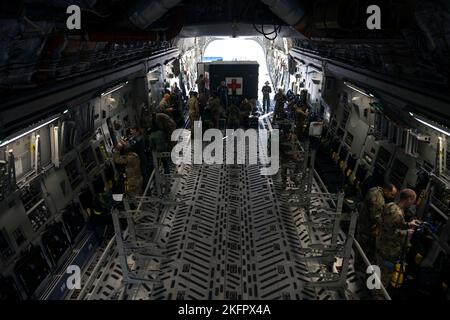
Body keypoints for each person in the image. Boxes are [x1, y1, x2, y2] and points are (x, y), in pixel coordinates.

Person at [375, 189, 420, 291]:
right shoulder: (397, 214)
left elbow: (389, 225)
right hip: (387, 249)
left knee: (376, 269)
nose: (413, 203)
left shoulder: (391, 206)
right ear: (408, 199)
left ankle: (372, 288)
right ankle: (378, 295)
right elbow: (390, 233)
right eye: (413, 200)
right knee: (383, 277)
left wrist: (407, 224)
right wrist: (407, 233)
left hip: (380, 243)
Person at [355, 182, 397, 271]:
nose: (392, 197)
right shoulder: (379, 200)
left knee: (361, 245)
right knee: (363, 248)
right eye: (392, 194)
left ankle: (358, 264)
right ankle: (358, 267)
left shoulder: (374, 189)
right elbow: (376, 217)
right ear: (386, 191)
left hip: (362, 222)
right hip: (366, 227)